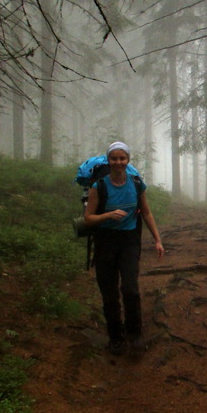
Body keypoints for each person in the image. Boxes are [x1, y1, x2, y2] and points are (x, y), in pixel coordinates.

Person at [83, 141, 164, 355]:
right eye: (114, 158)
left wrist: (157, 239)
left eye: (122, 158)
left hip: (129, 241)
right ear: (108, 161)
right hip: (105, 242)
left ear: (128, 160)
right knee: (109, 292)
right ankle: (116, 337)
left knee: (130, 289)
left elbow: (146, 213)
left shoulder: (136, 183)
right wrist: (108, 215)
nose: (118, 162)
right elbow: (88, 219)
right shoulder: (98, 187)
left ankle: (135, 335)